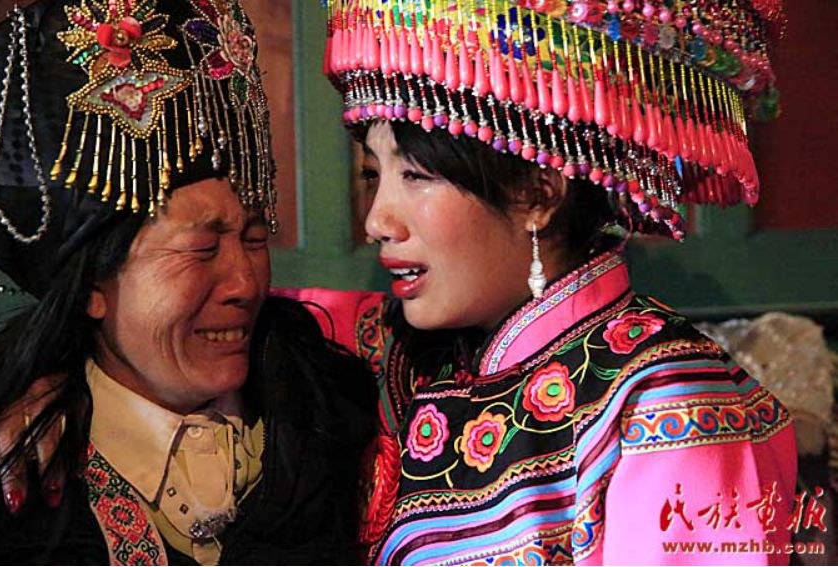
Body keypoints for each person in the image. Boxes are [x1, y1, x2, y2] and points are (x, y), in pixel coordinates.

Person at [278, 1, 798, 564]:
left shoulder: (667, 403)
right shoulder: (394, 351)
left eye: (416, 176)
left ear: (536, 196)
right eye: (372, 175)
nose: (378, 221)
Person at [0, 0, 373, 564]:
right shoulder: (25, 484)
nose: (244, 283)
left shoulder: (337, 413)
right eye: (201, 250)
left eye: (255, 239)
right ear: (94, 285)